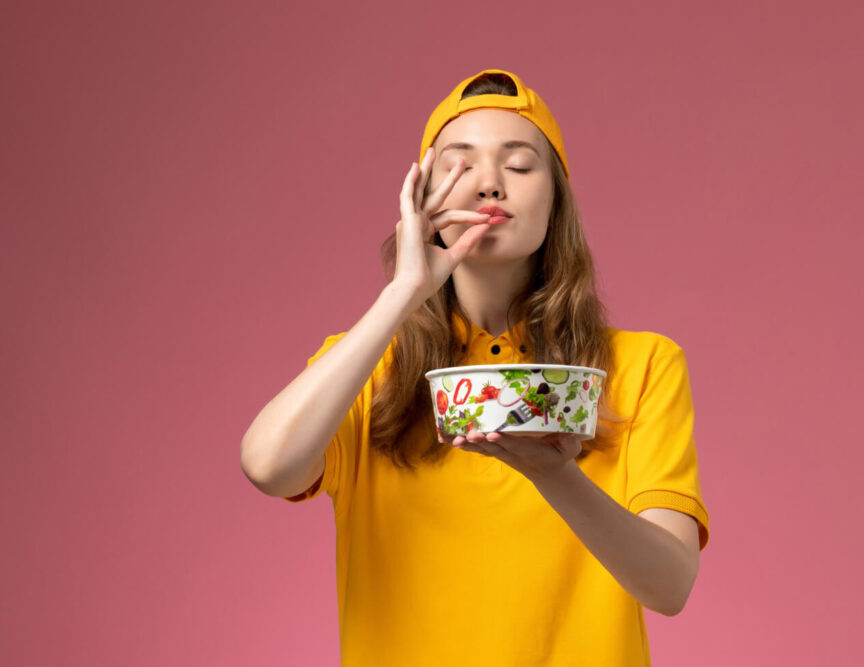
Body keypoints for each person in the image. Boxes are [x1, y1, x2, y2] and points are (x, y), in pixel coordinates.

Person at [240, 68, 710, 666]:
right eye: (460, 165)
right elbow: (267, 466)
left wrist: (553, 474)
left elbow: (669, 586)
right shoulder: (364, 367)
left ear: (557, 199)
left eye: (518, 165)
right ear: (421, 198)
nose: (490, 184)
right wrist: (403, 293)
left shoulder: (642, 365)